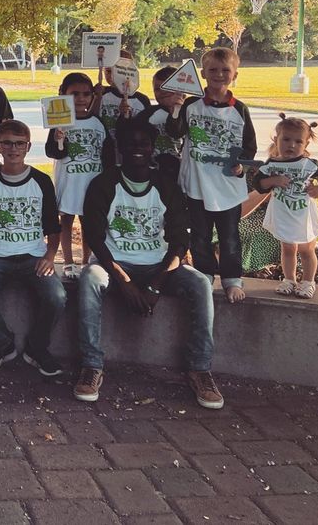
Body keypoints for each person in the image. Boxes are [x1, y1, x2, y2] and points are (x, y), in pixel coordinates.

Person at [75, 118, 223, 408]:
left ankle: (200, 369)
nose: (137, 148)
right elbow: (95, 238)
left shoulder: (165, 186)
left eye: (143, 143)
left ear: (153, 147)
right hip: (114, 265)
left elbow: (180, 242)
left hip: (159, 266)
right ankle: (92, 366)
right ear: (119, 148)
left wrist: (155, 286)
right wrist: (125, 281)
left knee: (201, 283)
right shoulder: (104, 184)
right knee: (89, 278)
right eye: (130, 143)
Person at [0, 120, 66, 376]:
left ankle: (37, 347)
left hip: (33, 257)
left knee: (57, 296)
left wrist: (49, 256)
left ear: (27, 146)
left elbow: (53, 229)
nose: (13, 149)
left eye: (19, 144)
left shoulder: (42, 181)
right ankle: (3, 343)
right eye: (7, 143)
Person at [167, 47, 256, 303]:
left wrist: (241, 165)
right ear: (203, 74)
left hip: (227, 187)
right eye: (213, 70)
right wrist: (175, 108)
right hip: (196, 184)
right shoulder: (191, 105)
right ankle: (205, 274)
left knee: (229, 238)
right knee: (200, 235)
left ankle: (232, 280)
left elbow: (249, 145)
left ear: (234, 75)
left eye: (225, 70)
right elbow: (175, 132)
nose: (219, 74)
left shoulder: (239, 109)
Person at [254, 115, 318, 299]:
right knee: (287, 248)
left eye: (298, 141)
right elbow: (259, 184)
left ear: (305, 144)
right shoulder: (271, 165)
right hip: (283, 213)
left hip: (303, 214)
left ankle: (308, 282)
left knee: (306, 249)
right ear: (276, 139)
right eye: (286, 139)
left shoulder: (307, 164)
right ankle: (289, 279)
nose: (292, 145)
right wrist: (274, 180)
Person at [45, 72, 112, 268]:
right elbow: (53, 152)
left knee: (89, 224)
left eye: (86, 94)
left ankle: (86, 262)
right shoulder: (59, 122)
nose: (81, 99)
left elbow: (107, 156)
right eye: (74, 94)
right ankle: (68, 262)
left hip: (92, 183)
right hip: (69, 182)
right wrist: (59, 139)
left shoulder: (98, 123)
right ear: (63, 94)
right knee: (65, 222)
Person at [95, 48, 151, 140]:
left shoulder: (142, 100)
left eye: (119, 71)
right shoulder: (100, 93)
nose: (112, 75)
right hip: (105, 147)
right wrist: (96, 97)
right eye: (108, 71)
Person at [146, 66, 185, 184]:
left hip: (182, 173)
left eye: (166, 87)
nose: (162, 92)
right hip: (154, 171)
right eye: (157, 88)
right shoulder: (148, 114)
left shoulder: (191, 112)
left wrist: (177, 109)